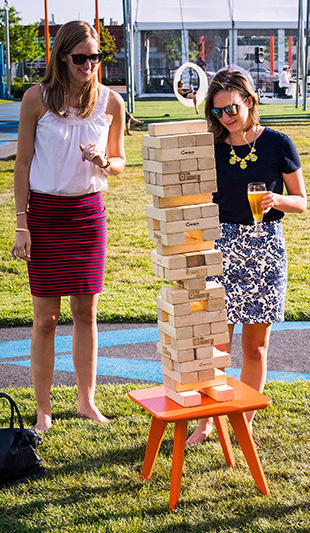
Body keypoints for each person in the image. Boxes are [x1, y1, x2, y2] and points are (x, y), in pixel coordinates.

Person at [10, 20, 125, 432]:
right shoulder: (35, 99)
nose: (89, 65)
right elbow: (22, 164)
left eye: (95, 57)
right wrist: (21, 223)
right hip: (43, 216)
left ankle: (85, 402)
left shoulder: (112, 102)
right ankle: (43, 412)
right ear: (62, 56)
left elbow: (120, 160)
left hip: (88, 216)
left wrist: (104, 162)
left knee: (86, 313)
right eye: (80, 58)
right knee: (45, 319)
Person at [186, 67, 306, 445]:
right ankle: (206, 422)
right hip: (221, 247)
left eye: (232, 108)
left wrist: (278, 200)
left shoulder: (278, 143)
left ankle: (243, 422)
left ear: (249, 101)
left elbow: (301, 202)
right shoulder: (211, 146)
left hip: (265, 247)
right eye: (218, 112)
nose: (226, 117)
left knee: (255, 346)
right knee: (215, 347)